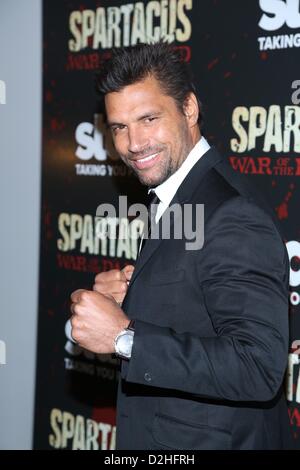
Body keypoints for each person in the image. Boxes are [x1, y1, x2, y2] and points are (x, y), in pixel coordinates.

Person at [70, 42, 291, 450]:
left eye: (148, 119)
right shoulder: (179, 193)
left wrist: (123, 335)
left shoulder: (230, 213)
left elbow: (258, 366)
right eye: (119, 127)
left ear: (188, 108)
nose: (133, 143)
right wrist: (132, 298)